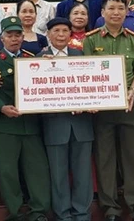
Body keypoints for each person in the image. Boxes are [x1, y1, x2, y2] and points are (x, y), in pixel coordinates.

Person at [83, 0, 134, 221]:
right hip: (101, 110)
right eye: (111, 8)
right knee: (105, 159)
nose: (115, 13)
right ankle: (110, 208)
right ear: (102, 13)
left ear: (126, 12)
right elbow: (83, 71)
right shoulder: (91, 40)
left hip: (129, 105)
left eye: (120, 8)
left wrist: (132, 91)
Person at [0, 17, 51, 221]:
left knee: (37, 170)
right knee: (8, 172)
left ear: (23, 36)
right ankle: (15, 212)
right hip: (5, 126)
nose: (14, 39)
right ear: (2, 38)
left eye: (18, 34)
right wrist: (1, 108)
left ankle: (38, 211)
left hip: (30, 124)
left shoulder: (33, 59)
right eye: (9, 35)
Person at [37, 17, 94, 221]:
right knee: (58, 174)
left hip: (81, 124)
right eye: (56, 31)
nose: (61, 35)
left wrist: (90, 103)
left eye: (65, 31)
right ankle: (63, 215)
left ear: (71, 34)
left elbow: (92, 85)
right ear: (49, 35)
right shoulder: (37, 59)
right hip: (54, 124)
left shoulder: (81, 55)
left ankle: (82, 214)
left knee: (83, 174)